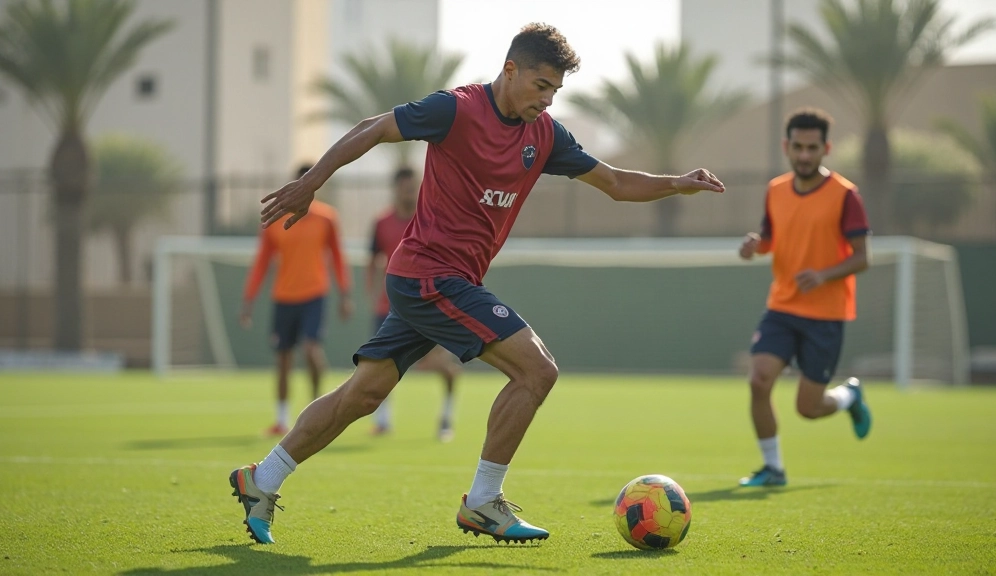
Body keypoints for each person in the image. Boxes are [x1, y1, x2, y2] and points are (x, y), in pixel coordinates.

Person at [229, 23, 724, 545]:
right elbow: (374, 126)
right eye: (540, 86)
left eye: (556, 90)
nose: (547, 99)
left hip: (438, 281)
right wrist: (310, 184)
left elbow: (617, 183)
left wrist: (677, 183)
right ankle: (484, 501)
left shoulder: (546, 134)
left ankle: (261, 480)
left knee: (364, 394)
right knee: (537, 371)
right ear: (510, 70)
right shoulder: (456, 109)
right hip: (429, 275)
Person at [736, 108, 873, 488]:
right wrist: (755, 245)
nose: (805, 155)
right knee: (759, 380)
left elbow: (863, 258)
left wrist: (824, 274)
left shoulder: (846, 196)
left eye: (812, 148)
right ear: (787, 146)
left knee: (808, 408)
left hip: (826, 314)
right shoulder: (776, 189)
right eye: (798, 147)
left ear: (826, 148)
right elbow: (771, 240)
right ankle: (773, 469)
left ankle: (848, 397)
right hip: (781, 307)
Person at [240, 164, 354, 436]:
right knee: (283, 358)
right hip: (283, 297)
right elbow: (262, 262)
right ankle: (281, 419)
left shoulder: (327, 218)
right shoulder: (276, 219)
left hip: (314, 294)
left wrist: (345, 294)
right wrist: (248, 300)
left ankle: (316, 410)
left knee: (312, 350)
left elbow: (337, 257)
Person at [367, 167, 461, 442]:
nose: (410, 192)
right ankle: (383, 420)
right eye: (405, 187)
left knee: (441, 365)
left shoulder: (430, 219)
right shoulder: (381, 222)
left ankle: (446, 418)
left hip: (427, 306)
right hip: (388, 308)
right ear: (395, 189)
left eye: (413, 187)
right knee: (379, 367)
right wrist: (372, 293)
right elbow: (373, 260)